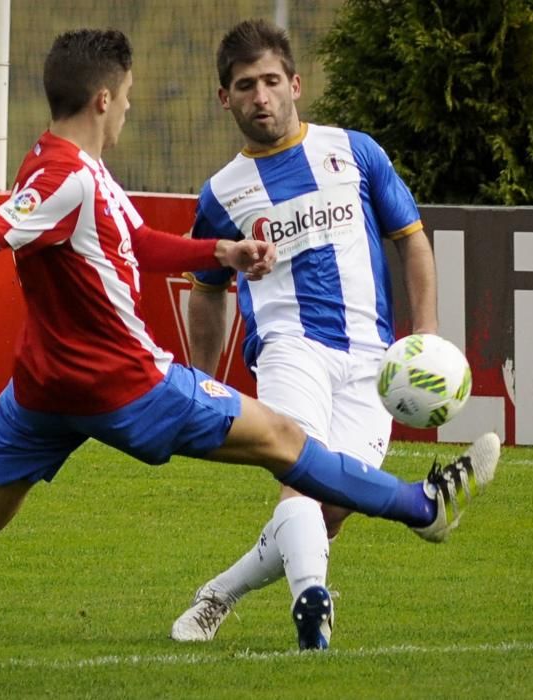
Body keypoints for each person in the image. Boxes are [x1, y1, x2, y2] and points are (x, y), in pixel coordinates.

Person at [0, 28, 499, 680]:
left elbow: (134, 241)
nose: (130, 109)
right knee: (285, 440)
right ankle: (420, 506)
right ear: (104, 100)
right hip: (124, 384)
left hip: (41, 391)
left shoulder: (60, 164)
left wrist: (219, 252)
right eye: (128, 98)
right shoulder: (66, 180)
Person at [170, 19, 497, 651]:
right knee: (301, 473)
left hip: (373, 360)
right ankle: (312, 610)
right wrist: (202, 382)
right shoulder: (221, 194)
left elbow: (412, 240)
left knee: (331, 510)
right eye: (244, 86)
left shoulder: (356, 150)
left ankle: (220, 594)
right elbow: (209, 289)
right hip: (289, 349)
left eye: (270, 81)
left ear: (295, 84)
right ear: (225, 99)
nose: (260, 96)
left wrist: (424, 334)